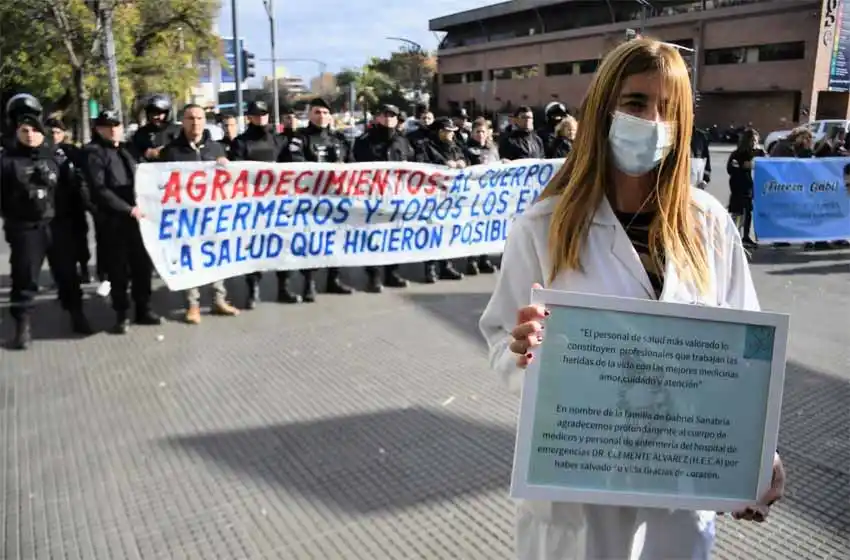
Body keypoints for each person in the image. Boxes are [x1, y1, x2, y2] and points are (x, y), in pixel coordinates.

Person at [479, 38, 786, 560]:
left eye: (669, 107)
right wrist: (521, 352)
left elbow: (746, 350)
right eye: (637, 102)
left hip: (679, 485)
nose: (653, 120)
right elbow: (498, 340)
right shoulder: (543, 227)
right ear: (603, 110)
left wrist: (754, 453)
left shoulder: (708, 223)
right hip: (579, 489)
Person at [0, 107, 92, 349]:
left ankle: (76, 314)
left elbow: (76, 190)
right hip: (27, 228)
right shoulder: (8, 161)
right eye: (24, 130)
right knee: (24, 277)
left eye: (35, 131)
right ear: (17, 132)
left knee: (67, 275)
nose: (30, 135)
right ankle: (22, 328)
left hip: (59, 225)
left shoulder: (57, 158)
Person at [160, 104, 241, 324]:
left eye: (199, 118)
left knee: (216, 257)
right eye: (190, 118)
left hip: (214, 215)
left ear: (205, 121)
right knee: (190, 260)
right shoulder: (171, 151)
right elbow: (162, 183)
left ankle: (219, 300)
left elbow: (230, 182)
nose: (195, 122)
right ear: (183, 121)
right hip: (186, 217)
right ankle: (192, 305)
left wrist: (227, 167)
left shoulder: (216, 149)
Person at [83, 110, 162, 333]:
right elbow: (100, 190)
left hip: (139, 219)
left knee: (142, 268)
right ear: (98, 129)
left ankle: (143, 309)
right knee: (118, 270)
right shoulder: (94, 153)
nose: (113, 130)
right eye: (107, 126)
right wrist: (128, 209)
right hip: (115, 221)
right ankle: (121, 314)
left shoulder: (128, 149)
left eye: (116, 125)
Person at [278, 97, 356, 301]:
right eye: (317, 112)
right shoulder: (300, 138)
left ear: (330, 116)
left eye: (325, 112)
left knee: (336, 239)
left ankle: (333, 279)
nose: (321, 116)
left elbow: (352, 166)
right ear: (309, 115)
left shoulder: (339, 139)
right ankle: (309, 283)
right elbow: (296, 165)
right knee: (311, 242)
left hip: (337, 200)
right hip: (311, 201)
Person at [353, 104, 417, 293]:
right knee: (373, 237)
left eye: (392, 115)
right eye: (384, 114)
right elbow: (357, 166)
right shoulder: (364, 141)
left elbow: (413, 165)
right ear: (377, 117)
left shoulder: (403, 141)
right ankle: (373, 276)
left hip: (397, 197)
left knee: (394, 236)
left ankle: (392, 272)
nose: (388, 118)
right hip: (373, 197)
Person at [46, 117, 92, 282]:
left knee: (80, 238)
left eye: (58, 132)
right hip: (53, 204)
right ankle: (61, 276)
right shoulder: (43, 152)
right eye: (51, 132)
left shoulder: (72, 151)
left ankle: (85, 269)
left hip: (74, 201)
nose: (54, 135)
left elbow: (85, 170)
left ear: (63, 133)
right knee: (56, 244)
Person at [463, 118, 500, 275]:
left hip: (489, 195)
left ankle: (484, 259)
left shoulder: (493, 149)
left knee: (486, 227)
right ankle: (471, 260)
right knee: (473, 228)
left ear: (487, 133)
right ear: (472, 133)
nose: (480, 135)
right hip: (473, 195)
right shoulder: (466, 149)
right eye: (477, 132)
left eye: (483, 131)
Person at [727, 128, 764, 248]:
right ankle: (733, 236)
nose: (755, 143)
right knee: (737, 212)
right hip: (738, 187)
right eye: (753, 140)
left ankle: (746, 237)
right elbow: (731, 169)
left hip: (750, 188)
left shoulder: (759, 153)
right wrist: (744, 165)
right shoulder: (737, 154)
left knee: (748, 212)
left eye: (756, 140)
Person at [131, 94, 181, 162]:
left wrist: (168, 151)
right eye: (152, 114)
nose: (155, 117)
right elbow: (132, 155)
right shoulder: (141, 133)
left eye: (159, 114)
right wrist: (145, 154)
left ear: (167, 113)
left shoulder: (178, 131)